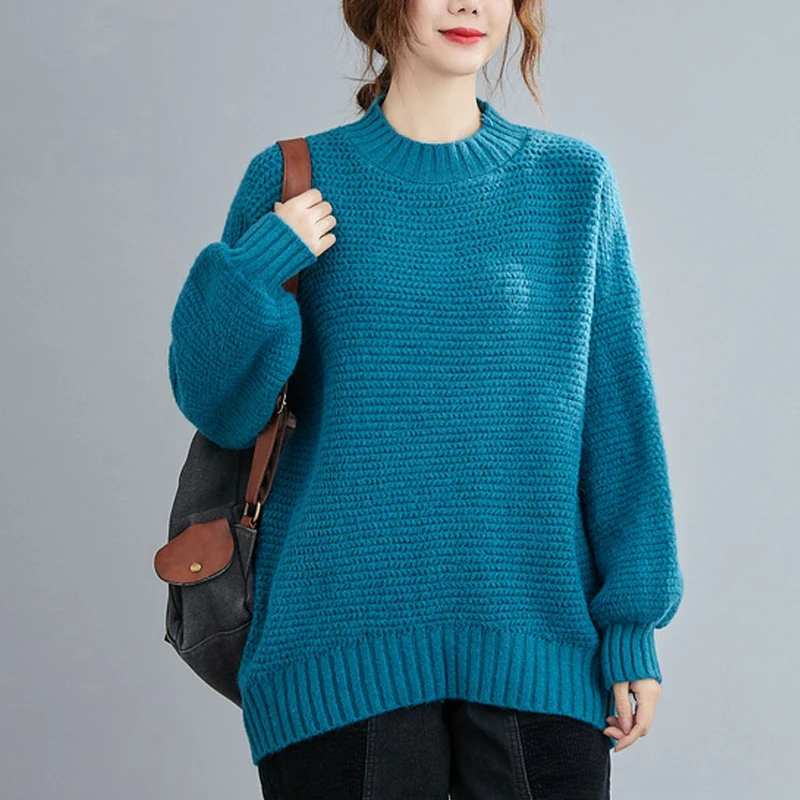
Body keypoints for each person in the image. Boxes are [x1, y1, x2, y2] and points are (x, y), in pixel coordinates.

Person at [167, 0, 684, 797]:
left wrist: (631, 627)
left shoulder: (573, 184)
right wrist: (265, 260)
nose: (469, 3)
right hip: (335, 645)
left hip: (538, 643)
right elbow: (218, 405)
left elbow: (617, 423)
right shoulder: (293, 178)